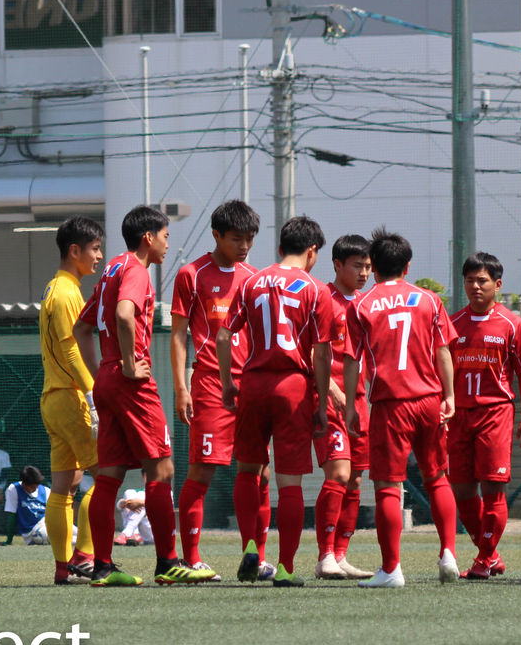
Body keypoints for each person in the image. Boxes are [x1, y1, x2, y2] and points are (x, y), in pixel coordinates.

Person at [76, 205, 217, 587]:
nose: (169, 245)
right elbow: (124, 315)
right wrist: (125, 364)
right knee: (162, 470)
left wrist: (103, 373)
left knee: (108, 478)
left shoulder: (110, 271)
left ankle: (103, 567)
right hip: (130, 380)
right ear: (148, 238)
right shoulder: (136, 271)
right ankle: (168, 562)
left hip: (107, 380)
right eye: (166, 236)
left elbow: (82, 329)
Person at [218, 215, 334, 587]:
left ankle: (252, 545)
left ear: (281, 247)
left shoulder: (250, 281)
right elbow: (322, 352)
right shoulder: (316, 289)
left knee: (248, 471)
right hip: (292, 387)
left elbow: (223, 337)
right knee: (290, 484)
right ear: (312, 251)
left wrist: (227, 383)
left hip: (252, 382)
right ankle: (285, 569)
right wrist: (318, 402)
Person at [341, 228, 460, 588]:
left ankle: (391, 569)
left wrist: (350, 405)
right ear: (408, 267)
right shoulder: (429, 300)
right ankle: (449, 553)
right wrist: (449, 395)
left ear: (373, 267)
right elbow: (443, 350)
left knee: (388, 486)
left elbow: (351, 361)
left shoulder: (360, 304)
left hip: (391, 404)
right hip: (428, 400)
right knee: (437, 476)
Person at [170, 200, 263, 579]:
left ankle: (253, 556)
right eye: (237, 239)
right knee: (202, 472)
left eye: (250, 239)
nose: (244, 246)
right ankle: (191, 558)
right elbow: (177, 335)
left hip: (252, 385)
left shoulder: (255, 278)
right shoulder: (191, 274)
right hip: (209, 382)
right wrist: (180, 387)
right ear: (217, 236)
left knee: (259, 473)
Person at [448, 251, 521, 580]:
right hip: (457, 417)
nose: (475, 286)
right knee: (461, 491)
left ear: (497, 285)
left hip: (494, 413)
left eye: (482, 280)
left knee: (492, 490)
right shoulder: (452, 324)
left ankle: (484, 558)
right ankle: (490, 554)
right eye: (470, 280)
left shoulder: (511, 324)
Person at [39, 215, 104, 585]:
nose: (99, 256)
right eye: (95, 249)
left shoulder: (52, 288)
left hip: (52, 398)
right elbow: (72, 348)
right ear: (74, 250)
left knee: (63, 485)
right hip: (72, 396)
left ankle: (63, 567)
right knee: (108, 473)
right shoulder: (67, 293)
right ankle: (84, 556)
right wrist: (93, 393)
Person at [313, 234, 374, 580]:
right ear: (337, 265)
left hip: (360, 403)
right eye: (357, 266)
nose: (364, 272)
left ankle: (340, 555)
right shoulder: (323, 299)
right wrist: (332, 390)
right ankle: (324, 556)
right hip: (329, 400)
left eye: (368, 266)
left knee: (355, 480)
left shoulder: (367, 305)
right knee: (337, 474)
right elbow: (313, 349)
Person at [0, 466, 54, 546]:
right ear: (23, 483)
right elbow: (11, 515)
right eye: (32, 487)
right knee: (44, 533)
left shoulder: (46, 491)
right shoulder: (14, 489)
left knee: (73, 532)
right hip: (32, 531)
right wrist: (9, 541)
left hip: (47, 524)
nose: (35, 488)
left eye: (37, 486)